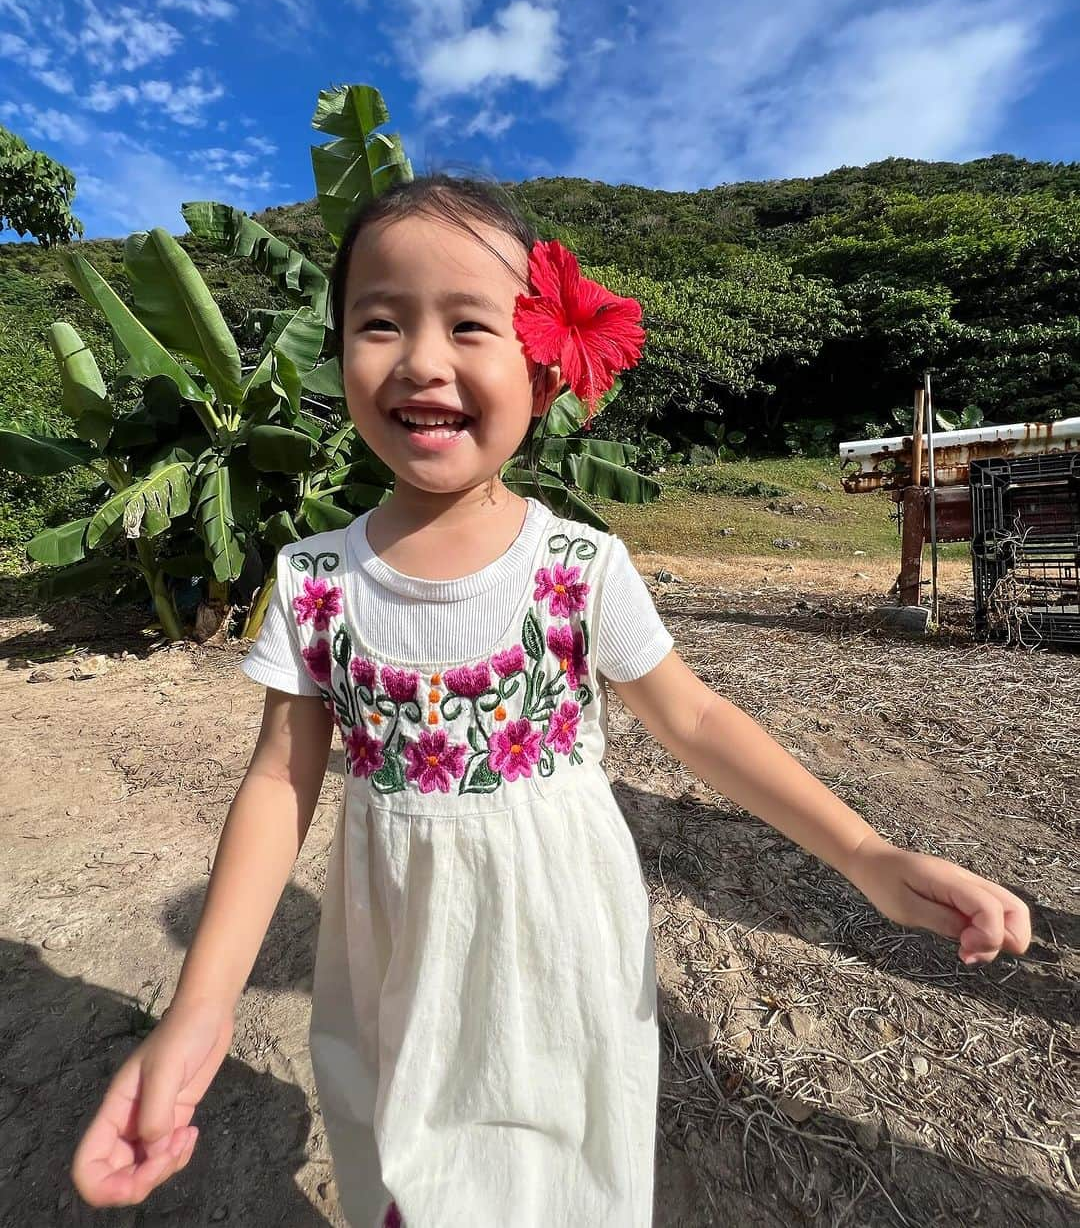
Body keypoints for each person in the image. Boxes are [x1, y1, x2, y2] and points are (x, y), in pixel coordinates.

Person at [71, 176, 1032, 1226]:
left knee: (559, 1180)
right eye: (379, 322)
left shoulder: (578, 565)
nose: (422, 360)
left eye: (468, 324)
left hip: (561, 944)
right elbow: (278, 781)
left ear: (540, 361)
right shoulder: (314, 579)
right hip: (395, 953)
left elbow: (696, 720)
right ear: (335, 350)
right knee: (409, 1165)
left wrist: (868, 856)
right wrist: (201, 1010)